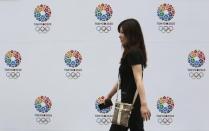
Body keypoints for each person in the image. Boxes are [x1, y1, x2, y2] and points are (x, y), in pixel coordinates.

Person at [102, 18, 151, 131]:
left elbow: (139, 80)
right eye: (119, 32)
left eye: (123, 32)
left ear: (132, 34)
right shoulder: (129, 53)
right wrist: (109, 96)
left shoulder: (134, 53)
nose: (119, 35)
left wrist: (144, 104)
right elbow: (122, 80)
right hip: (126, 103)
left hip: (131, 104)